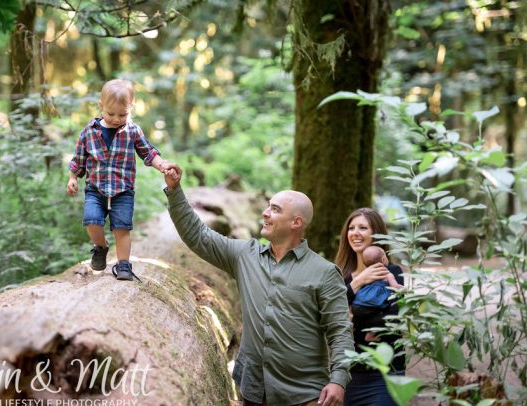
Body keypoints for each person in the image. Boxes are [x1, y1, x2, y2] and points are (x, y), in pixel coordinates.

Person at [163, 168, 354, 406]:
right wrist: (174, 190)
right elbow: (198, 235)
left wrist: (338, 380)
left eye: (275, 210)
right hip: (254, 391)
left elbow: (339, 331)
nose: (265, 213)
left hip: (305, 395)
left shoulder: (324, 273)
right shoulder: (245, 255)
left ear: (296, 222)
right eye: (268, 206)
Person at [67, 79, 179, 281]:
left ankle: (124, 265)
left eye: (123, 114)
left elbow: (148, 153)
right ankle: (100, 247)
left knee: (122, 227)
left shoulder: (133, 131)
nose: (117, 119)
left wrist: (161, 164)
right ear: (101, 106)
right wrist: (73, 177)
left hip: (123, 189)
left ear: (131, 108)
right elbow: (79, 158)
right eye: (111, 114)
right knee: (92, 220)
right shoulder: (88, 132)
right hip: (96, 187)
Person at [334, 208, 405, 406]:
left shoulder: (390, 271)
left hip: (385, 373)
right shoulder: (339, 275)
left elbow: (393, 318)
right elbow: (329, 317)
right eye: (351, 228)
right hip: (347, 376)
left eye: (363, 228)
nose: (355, 233)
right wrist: (357, 283)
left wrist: (353, 318)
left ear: (377, 234)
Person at [351, 246, 401, 316]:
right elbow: (395, 287)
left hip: (359, 303)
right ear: (383, 260)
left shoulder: (366, 274)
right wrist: (402, 288)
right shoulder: (387, 273)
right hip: (374, 304)